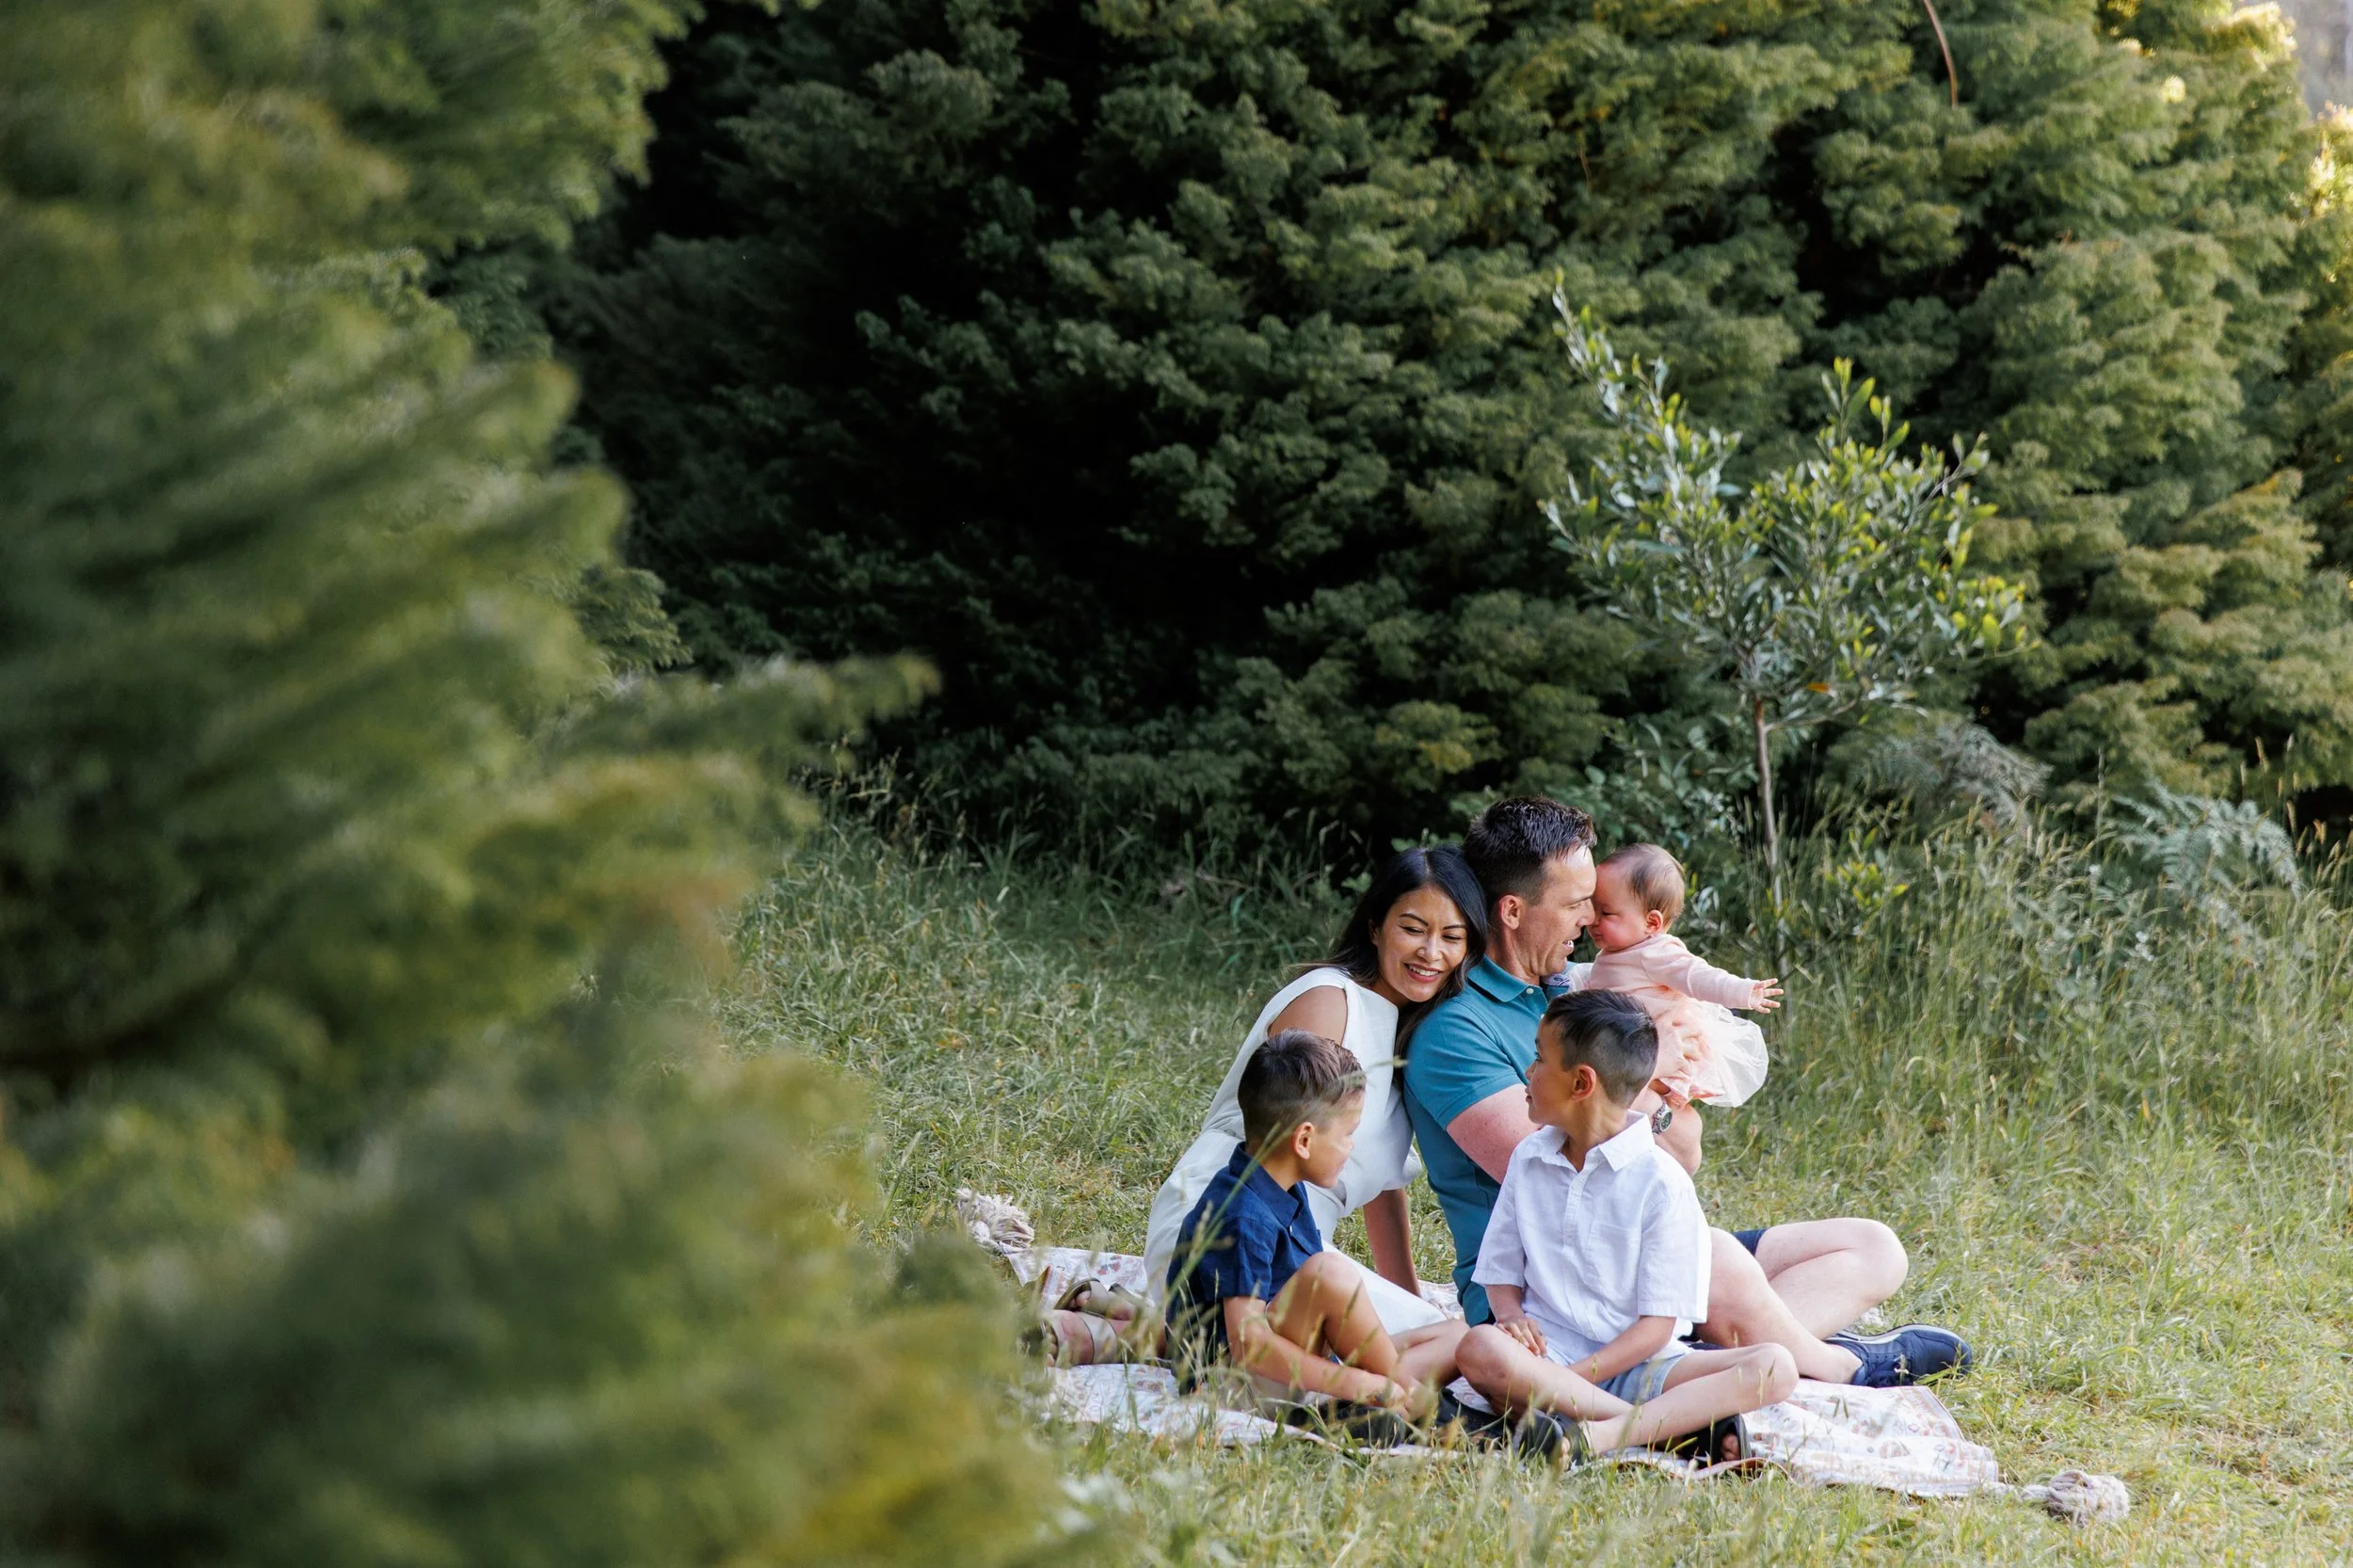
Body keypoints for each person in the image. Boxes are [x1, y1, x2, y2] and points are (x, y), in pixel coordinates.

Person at [1401, 794, 1971, 1387]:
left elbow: (1684, 1154)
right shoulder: (1456, 1032)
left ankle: (1749, 1343)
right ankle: (1836, 1364)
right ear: (1514, 911)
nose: (1589, 922)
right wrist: (1651, 1074)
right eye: (1576, 905)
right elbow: (1564, 1166)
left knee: (1872, 1247)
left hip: (1634, 1247)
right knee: (1719, 1256)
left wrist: (1666, 1091)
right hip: (1551, 1289)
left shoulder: (1572, 991)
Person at [1143, 845, 1486, 1334]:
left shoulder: (1411, 1034)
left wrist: (1409, 1299)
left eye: (1452, 937)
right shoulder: (1331, 1001)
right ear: (1375, 926)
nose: (1432, 954)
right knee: (1428, 1350)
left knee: (1432, 1335)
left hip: (1298, 1244)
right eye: (1413, 929)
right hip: (1230, 1227)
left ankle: (1132, 1327)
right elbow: (1280, 1157)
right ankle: (1150, 1328)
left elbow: (1383, 1185)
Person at [1455, 991, 1793, 1462]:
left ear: (1581, 1084)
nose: (1527, 1072)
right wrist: (1510, 1318)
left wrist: (1575, 1379)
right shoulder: (1529, 1158)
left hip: (1641, 1366)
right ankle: (1668, 1431)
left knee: (1775, 1365)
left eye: (1538, 1059)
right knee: (1479, 1346)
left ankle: (1594, 1432)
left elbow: (1657, 1328)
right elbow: (1501, 1271)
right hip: (1545, 1359)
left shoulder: (1662, 1183)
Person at [1165, 1030, 1467, 1421]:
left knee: (1456, 1338)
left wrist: (1358, 1377)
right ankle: (1425, 1413)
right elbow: (1248, 1344)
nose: (1351, 1146)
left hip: (1300, 1362)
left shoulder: (1283, 1186)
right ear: (1304, 1139)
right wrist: (1357, 1383)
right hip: (1233, 1388)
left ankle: (1369, 1407)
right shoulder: (1242, 1215)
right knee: (1329, 1273)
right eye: (1348, 1135)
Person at [1584, 841, 1774, 1116]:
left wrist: (1743, 991)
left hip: (1658, 1038)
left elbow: (1697, 976)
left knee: (1631, 1094)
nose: (1592, 918)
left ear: (1651, 923)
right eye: (1592, 907)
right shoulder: (1620, 948)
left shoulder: (1657, 951)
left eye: (1606, 913)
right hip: (1626, 1035)